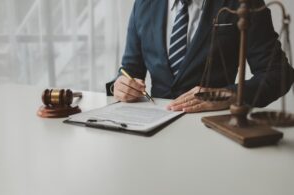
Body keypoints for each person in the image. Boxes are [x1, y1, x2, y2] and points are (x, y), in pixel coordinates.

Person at [106, 0, 294, 113]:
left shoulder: (244, 3)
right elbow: (129, 69)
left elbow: (279, 73)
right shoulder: (143, 3)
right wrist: (120, 85)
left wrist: (228, 96)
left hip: (213, 127)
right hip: (153, 126)